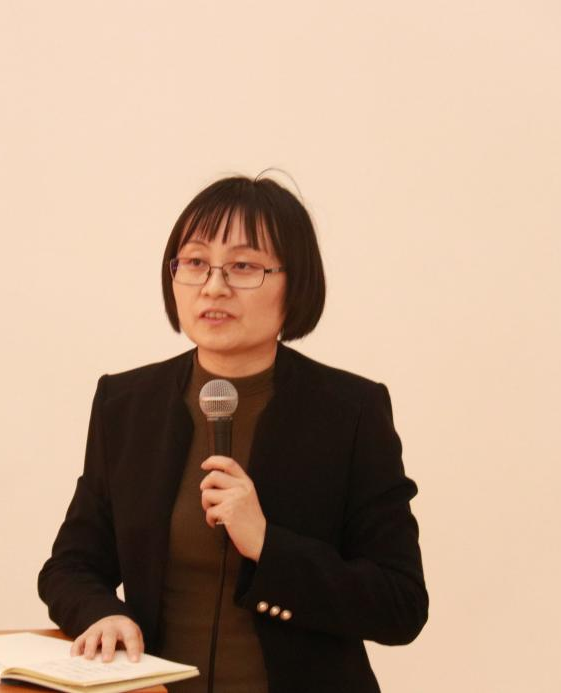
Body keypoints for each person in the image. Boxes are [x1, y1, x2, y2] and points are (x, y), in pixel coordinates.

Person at [38, 173, 428, 692]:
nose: (213, 286)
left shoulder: (350, 411)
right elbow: (70, 566)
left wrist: (267, 545)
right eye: (195, 262)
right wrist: (101, 612)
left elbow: (401, 605)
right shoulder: (127, 404)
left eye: (243, 266)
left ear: (296, 282)